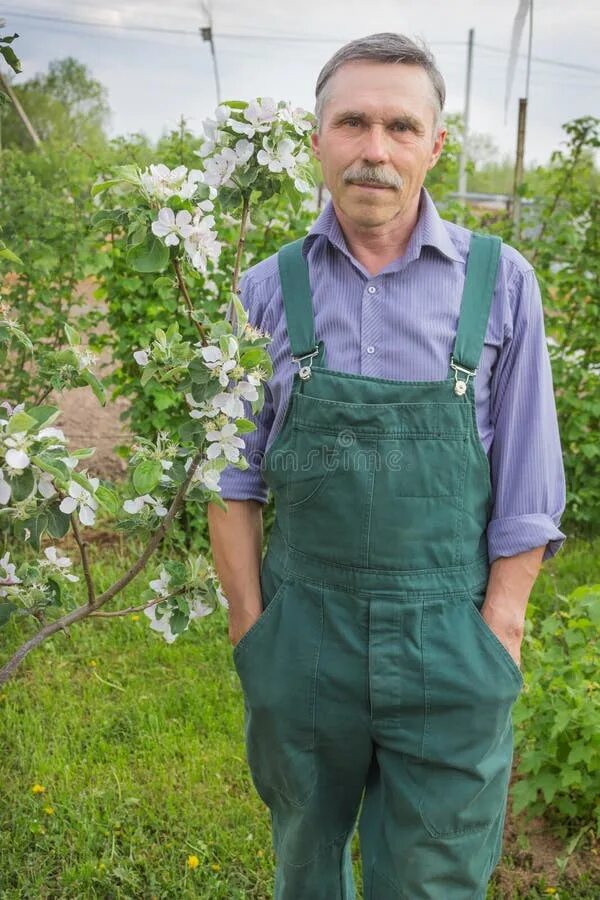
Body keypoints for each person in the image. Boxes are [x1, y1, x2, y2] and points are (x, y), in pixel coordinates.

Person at [207, 32, 566, 900]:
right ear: (317, 137)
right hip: (304, 636)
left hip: (449, 636)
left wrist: (499, 633)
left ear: (436, 145)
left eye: (401, 126)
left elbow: (528, 487)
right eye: (353, 122)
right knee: (305, 866)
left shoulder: (501, 283)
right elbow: (231, 478)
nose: (376, 149)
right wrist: (254, 628)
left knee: (434, 879)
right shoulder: (263, 290)